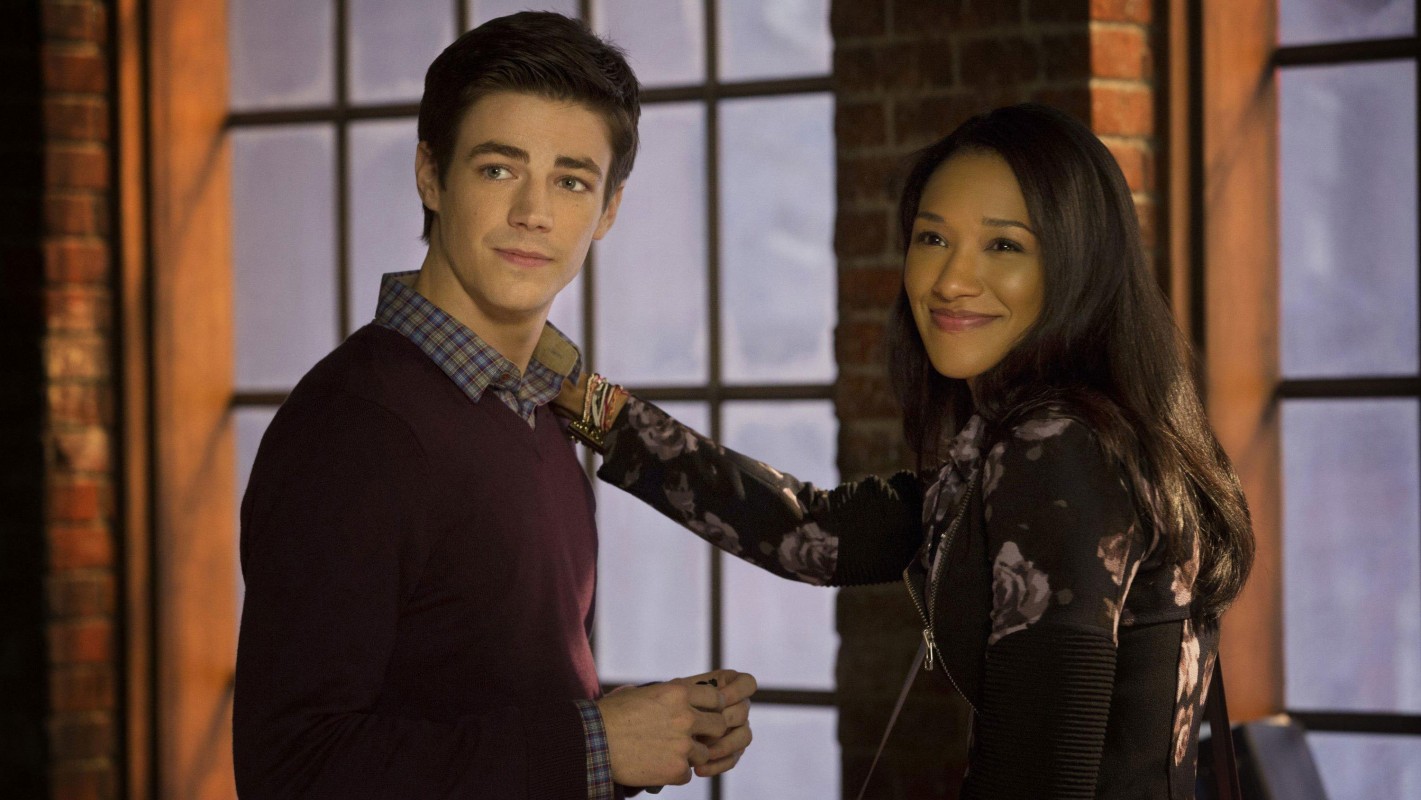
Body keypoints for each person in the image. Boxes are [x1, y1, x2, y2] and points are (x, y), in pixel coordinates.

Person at [554, 103, 1254, 799]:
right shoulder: (1056, 437)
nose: (950, 280)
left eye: (1003, 246)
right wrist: (594, 409)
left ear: (1079, 265)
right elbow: (811, 532)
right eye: (932, 238)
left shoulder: (1058, 451)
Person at [233, 12, 755, 799]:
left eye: (571, 181)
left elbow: (494, 701)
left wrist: (644, 729)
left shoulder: (538, 411)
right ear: (430, 175)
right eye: (499, 168)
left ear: (608, 210)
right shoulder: (353, 428)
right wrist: (597, 746)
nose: (533, 212)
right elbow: (291, 772)